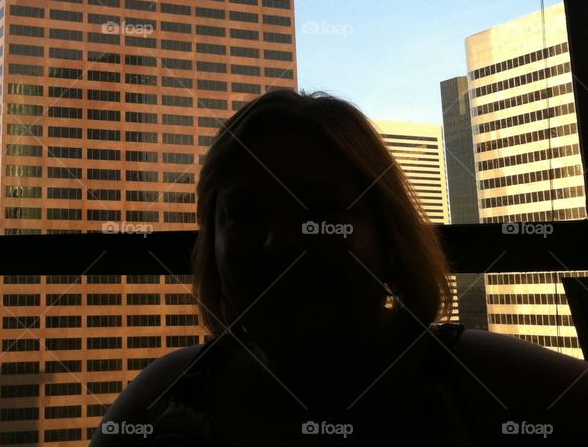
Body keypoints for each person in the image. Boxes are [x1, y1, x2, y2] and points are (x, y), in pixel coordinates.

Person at [91, 89, 588, 445]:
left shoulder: (510, 389)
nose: (280, 242)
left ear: (388, 233)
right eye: (244, 214)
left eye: (320, 211)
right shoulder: (157, 403)